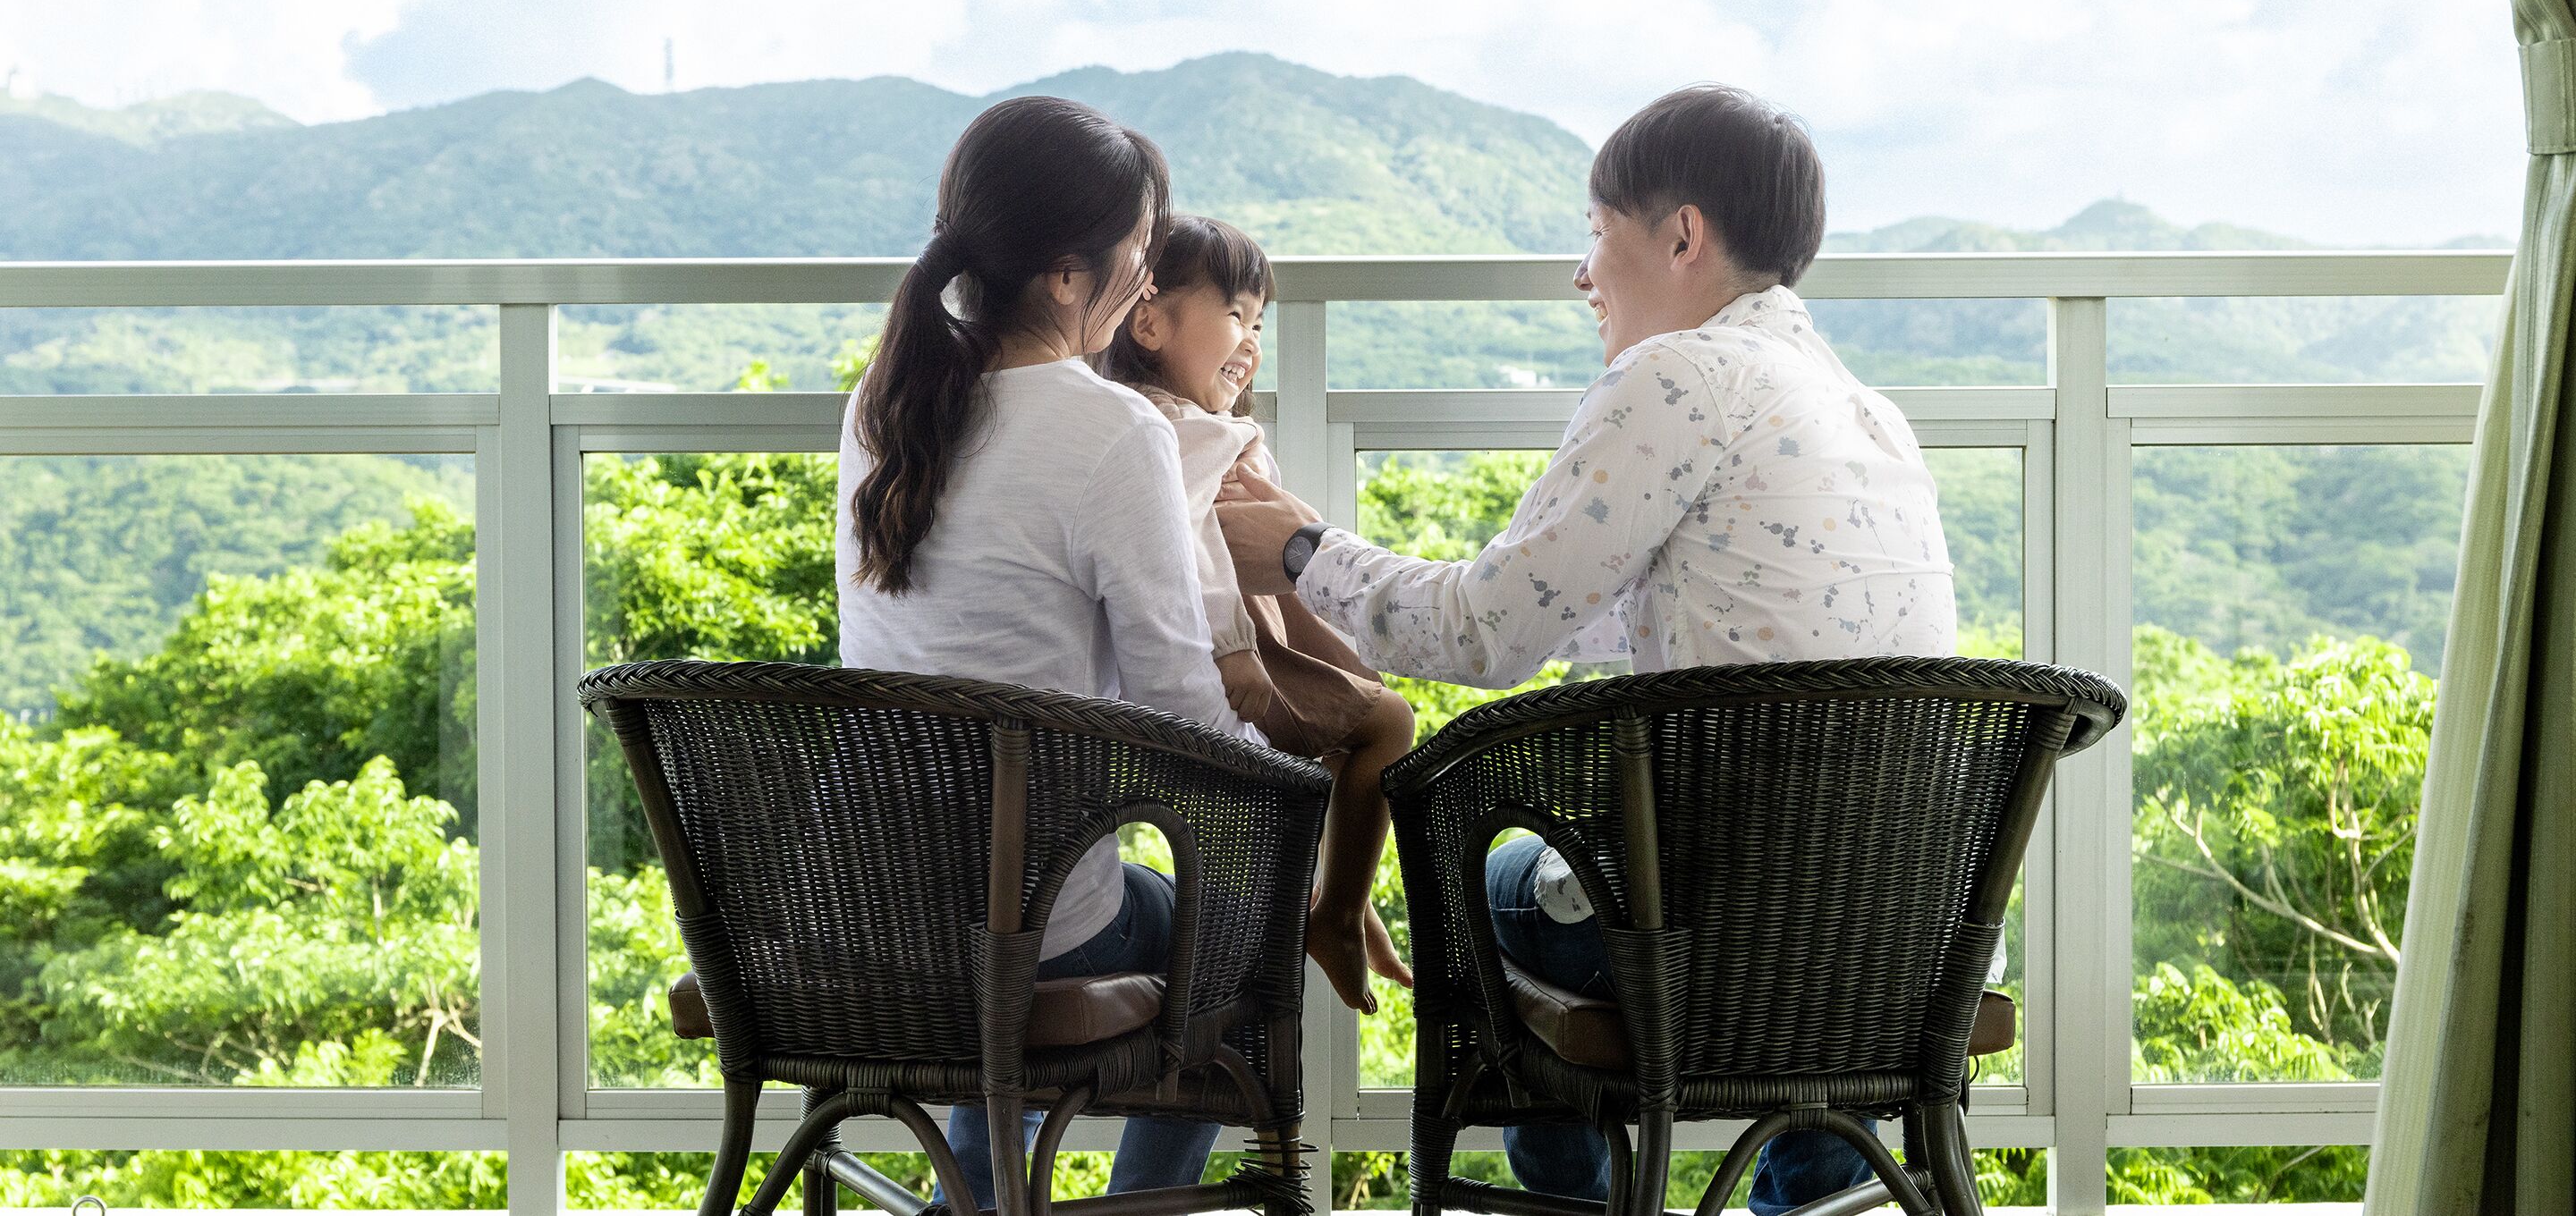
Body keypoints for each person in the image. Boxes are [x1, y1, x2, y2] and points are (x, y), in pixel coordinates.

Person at [1217, 85, 1957, 1216]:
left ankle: (1581, 1210)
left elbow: (1488, 634)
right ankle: (1809, 1205)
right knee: (1765, 910)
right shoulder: (1869, 413)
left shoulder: (1679, 376)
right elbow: (1652, 610)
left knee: (1491, 884)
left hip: (1715, 944)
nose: (1582, 273)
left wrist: (1304, 552)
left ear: (1681, 235)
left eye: (1595, 231)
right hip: (1900, 938)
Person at [838, 95, 1237, 1210]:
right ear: (1069, 276)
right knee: (1232, 933)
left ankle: (979, 1190)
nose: (1147, 281)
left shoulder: (884, 401)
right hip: (1031, 925)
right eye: (1142, 253)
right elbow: (1180, 713)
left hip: (869, 902)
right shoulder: (1112, 429)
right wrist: (1291, 771)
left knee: (1010, 889)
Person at [1095, 214, 1417, 1014]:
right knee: (1389, 724)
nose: (1252, 339)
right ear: (1150, 319)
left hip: (1258, 625)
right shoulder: (1170, 426)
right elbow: (1187, 542)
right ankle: (1339, 911)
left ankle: (1333, 896)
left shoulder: (1174, 418)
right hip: (1230, 643)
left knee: (1353, 718)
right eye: (1235, 314)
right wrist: (1235, 647)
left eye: (1260, 322)